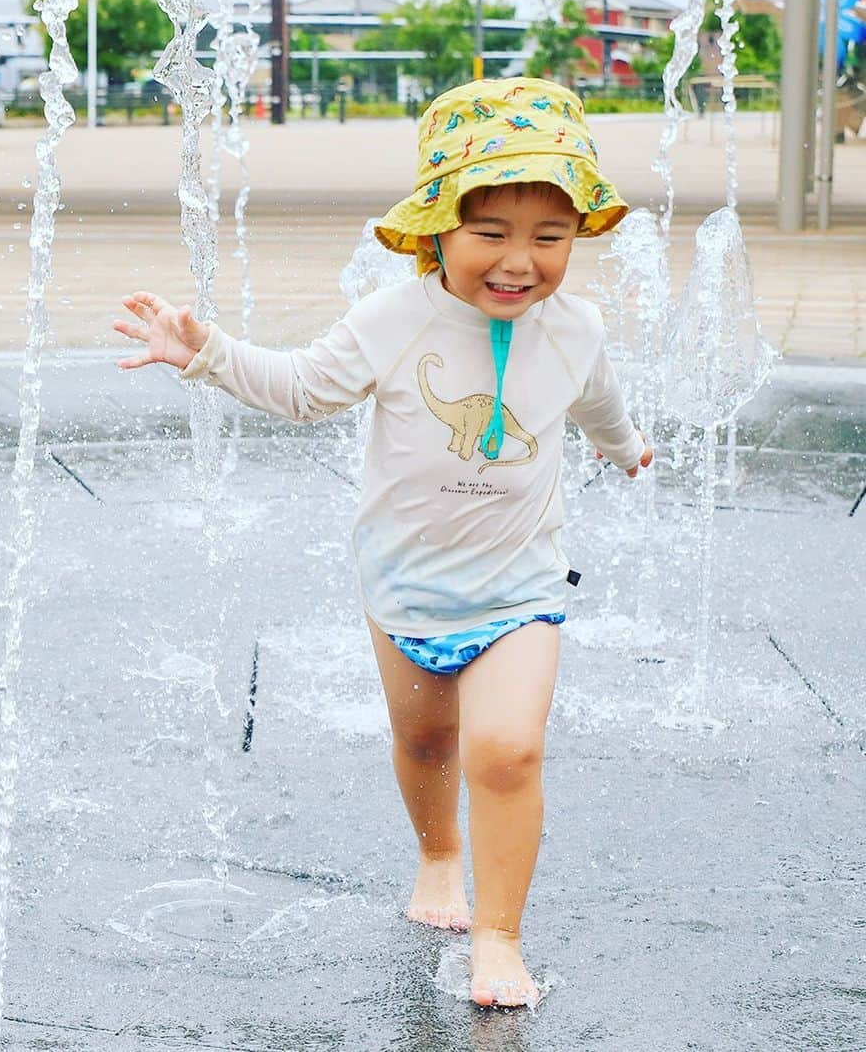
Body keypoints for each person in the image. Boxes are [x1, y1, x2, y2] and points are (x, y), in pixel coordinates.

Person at [113, 78, 653, 1010]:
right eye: (491, 232)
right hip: (402, 582)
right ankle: (440, 853)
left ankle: (499, 933)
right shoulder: (393, 321)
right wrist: (205, 353)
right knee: (427, 737)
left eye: (549, 237)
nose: (520, 262)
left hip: (520, 585)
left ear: (577, 238)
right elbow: (303, 389)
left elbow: (598, 400)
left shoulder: (578, 328)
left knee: (508, 750)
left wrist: (624, 445)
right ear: (438, 225)